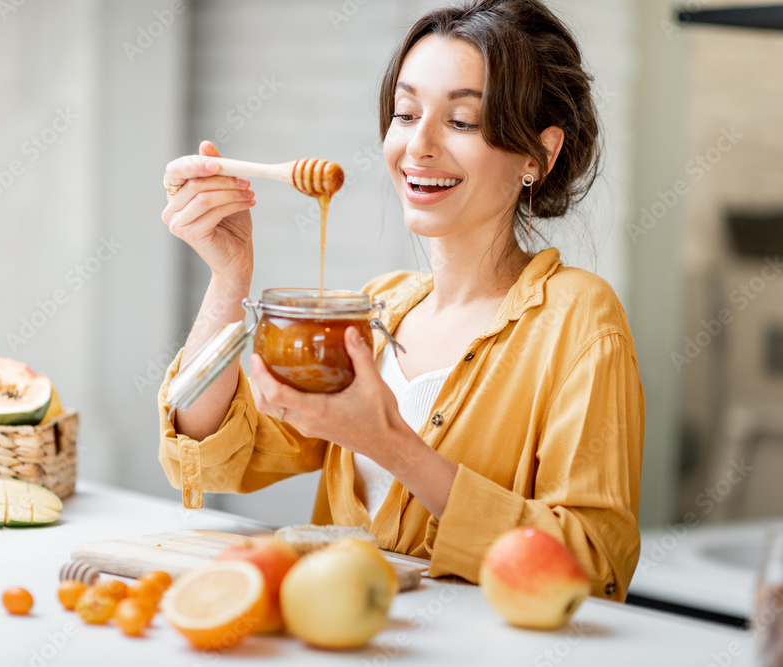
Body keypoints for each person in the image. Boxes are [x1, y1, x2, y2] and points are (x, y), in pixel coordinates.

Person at [157, 0, 644, 601]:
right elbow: (215, 456)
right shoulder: (374, 308)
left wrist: (391, 445)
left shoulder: (580, 320)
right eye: (406, 113)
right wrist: (229, 279)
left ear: (537, 156)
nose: (420, 146)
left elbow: (592, 565)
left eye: (461, 121)